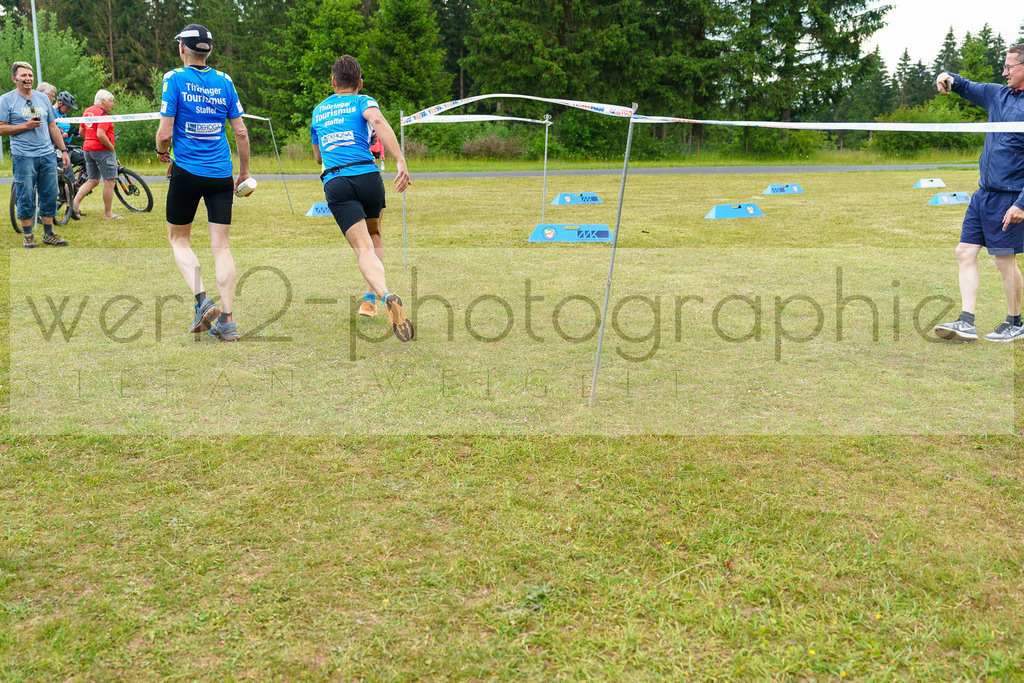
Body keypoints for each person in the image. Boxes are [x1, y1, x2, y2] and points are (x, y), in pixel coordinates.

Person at [155, 24, 250, 342]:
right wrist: (244, 172)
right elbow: (240, 132)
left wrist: (161, 152)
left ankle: (202, 300)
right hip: (221, 174)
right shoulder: (225, 81)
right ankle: (228, 320)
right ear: (209, 50)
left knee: (178, 240)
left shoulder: (174, 78)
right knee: (221, 246)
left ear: (182, 48)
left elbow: (165, 133)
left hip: (187, 172)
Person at [310, 55, 413, 341]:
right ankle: (369, 301)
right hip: (368, 176)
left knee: (362, 248)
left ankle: (384, 295)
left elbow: (317, 156)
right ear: (360, 83)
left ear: (333, 82)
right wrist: (400, 160)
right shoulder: (362, 101)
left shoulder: (318, 111)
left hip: (337, 181)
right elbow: (376, 120)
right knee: (375, 234)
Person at [933, 46, 1024, 342]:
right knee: (964, 252)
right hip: (983, 195)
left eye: (1009, 66)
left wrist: (1021, 204)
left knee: (1004, 260)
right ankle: (966, 321)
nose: (1004, 72)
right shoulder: (997, 94)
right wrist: (946, 77)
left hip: (1010, 197)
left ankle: (1015, 323)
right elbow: (964, 85)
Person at [0, 62, 71, 247]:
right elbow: (1, 128)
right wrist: (25, 126)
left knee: (50, 194)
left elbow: (52, 126)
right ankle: (28, 235)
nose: (28, 78)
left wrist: (63, 150)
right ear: (14, 79)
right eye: (23, 75)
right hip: (23, 156)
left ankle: (48, 234)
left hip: (47, 154)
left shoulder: (42, 99)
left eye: (30, 75)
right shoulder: (6, 100)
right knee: (25, 195)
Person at [72, 90, 121, 221]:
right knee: (109, 180)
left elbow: (81, 131)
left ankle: (74, 205)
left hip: (88, 149)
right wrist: (111, 147)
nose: (112, 104)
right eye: (111, 101)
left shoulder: (87, 111)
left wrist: (90, 139)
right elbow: (100, 134)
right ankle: (108, 213)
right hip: (102, 150)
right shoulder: (104, 114)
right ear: (103, 101)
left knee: (92, 180)